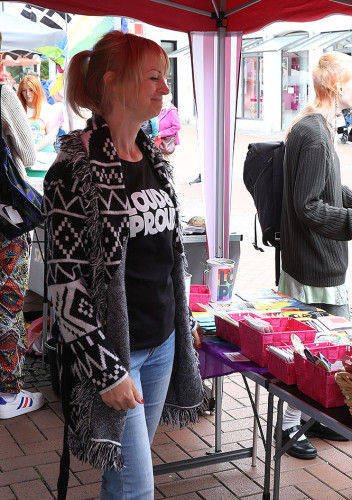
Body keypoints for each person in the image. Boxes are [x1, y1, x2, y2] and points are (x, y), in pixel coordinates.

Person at [43, 31, 204, 499]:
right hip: (118, 352)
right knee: (137, 489)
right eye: (154, 77)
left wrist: (184, 320)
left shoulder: (153, 157)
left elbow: (168, 255)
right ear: (113, 83)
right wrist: (104, 369)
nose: (165, 89)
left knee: (122, 476)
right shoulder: (75, 169)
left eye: (165, 78)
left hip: (163, 342)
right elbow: (65, 283)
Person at [279, 51, 352, 460]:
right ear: (335, 85)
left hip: (315, 261)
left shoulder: (317, 126)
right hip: (313, 264)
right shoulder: (313, 132)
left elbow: (324, 188)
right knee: (309, 348)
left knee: (319, 346)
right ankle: (290, 427)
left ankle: (310, 419)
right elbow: (307, 206)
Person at [0, 30, 44, 419]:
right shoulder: (2, 94)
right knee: (9, 304)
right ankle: (7, 392)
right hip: (5, 221)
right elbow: (28, 153)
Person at [17, 75, 59, 155]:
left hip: (44, 156)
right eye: (24, 90)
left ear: (37, 90)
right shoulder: (18, 110)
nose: (28, 94)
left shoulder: (48, 109)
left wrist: (34, 149)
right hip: (22, 156)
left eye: (31, 90)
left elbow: (51, 134)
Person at [157, 92, 181, 157]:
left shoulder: (172, 111)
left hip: (168, 143)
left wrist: (162, 133)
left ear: (167, 98)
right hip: (161, 142)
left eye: (161, 97)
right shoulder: (162, 110)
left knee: (168, 163)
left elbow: (177, 126)